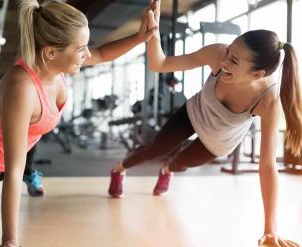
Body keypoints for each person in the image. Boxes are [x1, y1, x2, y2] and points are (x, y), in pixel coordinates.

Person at [0, 0, 157, 246]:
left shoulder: (55, 64)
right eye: (81, 48)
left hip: (20, 126)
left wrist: (140, 37)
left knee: (28, 144)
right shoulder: (22, 88)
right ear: (51, 52)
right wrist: (10, 241)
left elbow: (103, 53)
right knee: (5, 170)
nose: (87, 54)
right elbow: (13, 171)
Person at [108, 1, 301, 246]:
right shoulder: (218, 53)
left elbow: (267, 166)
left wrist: (270, 229)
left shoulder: (268, 101)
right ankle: (119, 168)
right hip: (193, 113)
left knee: (179, 164)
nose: (224, 62)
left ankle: (167, 171)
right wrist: (152, 33)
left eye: (234, 62)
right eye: (229, 52)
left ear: (257, 75)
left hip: (218, 141)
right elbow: (160, 64)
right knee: (156, 148)